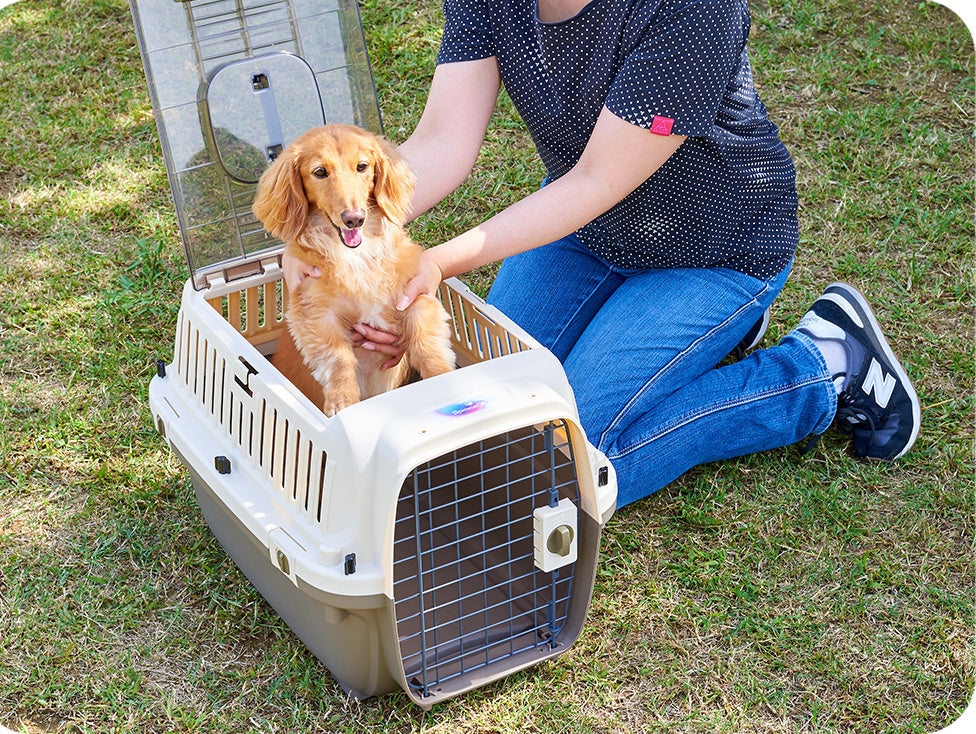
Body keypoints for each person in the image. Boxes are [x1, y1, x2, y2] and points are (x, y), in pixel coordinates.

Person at [283, 0, 920, 508]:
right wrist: (320, 236)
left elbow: (596, 180)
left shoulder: (691, 9)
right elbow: (443, 141)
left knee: (563, 464)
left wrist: (436, 263)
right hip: (578, 232)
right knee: (488, 412)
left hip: (713, 250)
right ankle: (686, 341)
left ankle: (820, 368)